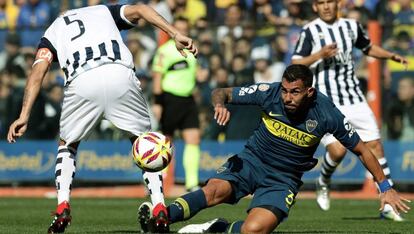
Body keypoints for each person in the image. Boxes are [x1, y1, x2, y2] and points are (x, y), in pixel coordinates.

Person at [138, 64, 410, 233]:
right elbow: (222, 91)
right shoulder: (270, 92)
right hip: (251, 161)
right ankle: (161, 219)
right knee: (213, 191)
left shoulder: (328, 114)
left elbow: (362, 149)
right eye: (285, 90)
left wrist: (385, 188)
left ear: (310, 92)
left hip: (284, 178)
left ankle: (217, 228)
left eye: (295, 92)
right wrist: (219, 105)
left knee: (255, 230)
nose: (288, 97)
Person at [6, 3, 197, 233]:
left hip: (82, 80)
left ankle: (62, 205)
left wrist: (23, 115)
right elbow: (142, 9)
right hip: (120, 74)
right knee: (145, 142)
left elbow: (37, 72)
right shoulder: (103, 10)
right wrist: (174, 33)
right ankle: (159, 207)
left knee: (67, 145)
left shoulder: (54, 30)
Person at [291, 0, 408, 221]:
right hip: (325, 101)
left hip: (354, 98)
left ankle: (388, 204)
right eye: (321, 3)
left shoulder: (351, 26)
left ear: (338, 4)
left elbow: (368, 47)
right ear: (315, 7)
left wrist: (391, 56)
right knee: (337, 151)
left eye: (329, 2)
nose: (325, 7)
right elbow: (296, 63)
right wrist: (318, 56)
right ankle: (324, 180)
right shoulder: (310, 30)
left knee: (375, 147)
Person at [151, 16, 201, 192]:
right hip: (170, 98)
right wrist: (158, 103)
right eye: (177, 28)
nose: (181, 31)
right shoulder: (164, 51)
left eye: (184, 28)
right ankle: (159, 182)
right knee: (165, 143)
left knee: (193, 139)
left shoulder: (192, 49)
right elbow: (157, 77)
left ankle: (192, 183)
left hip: (188, 99)